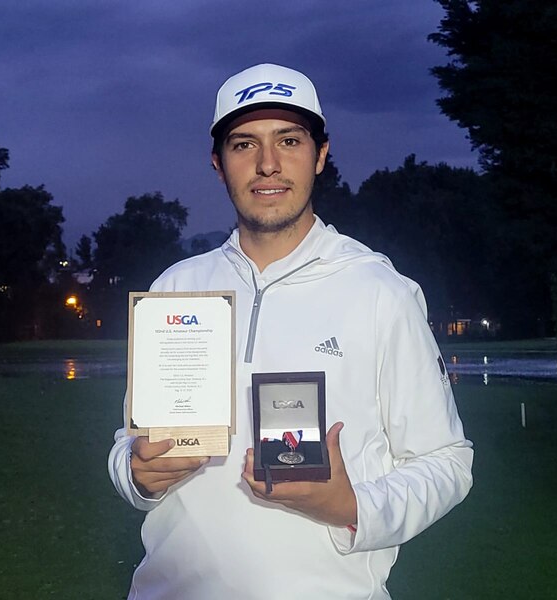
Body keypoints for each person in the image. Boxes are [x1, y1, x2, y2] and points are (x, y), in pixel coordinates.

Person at [108, 63, 473, 599]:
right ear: (218, 163)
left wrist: (354, 509)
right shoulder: (176, 287)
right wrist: (136, 475)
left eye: (289, 140)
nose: (268, 164)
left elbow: (447, 461)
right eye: (243, 145)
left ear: (321, 154)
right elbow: (129, 443)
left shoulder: (379, 291)